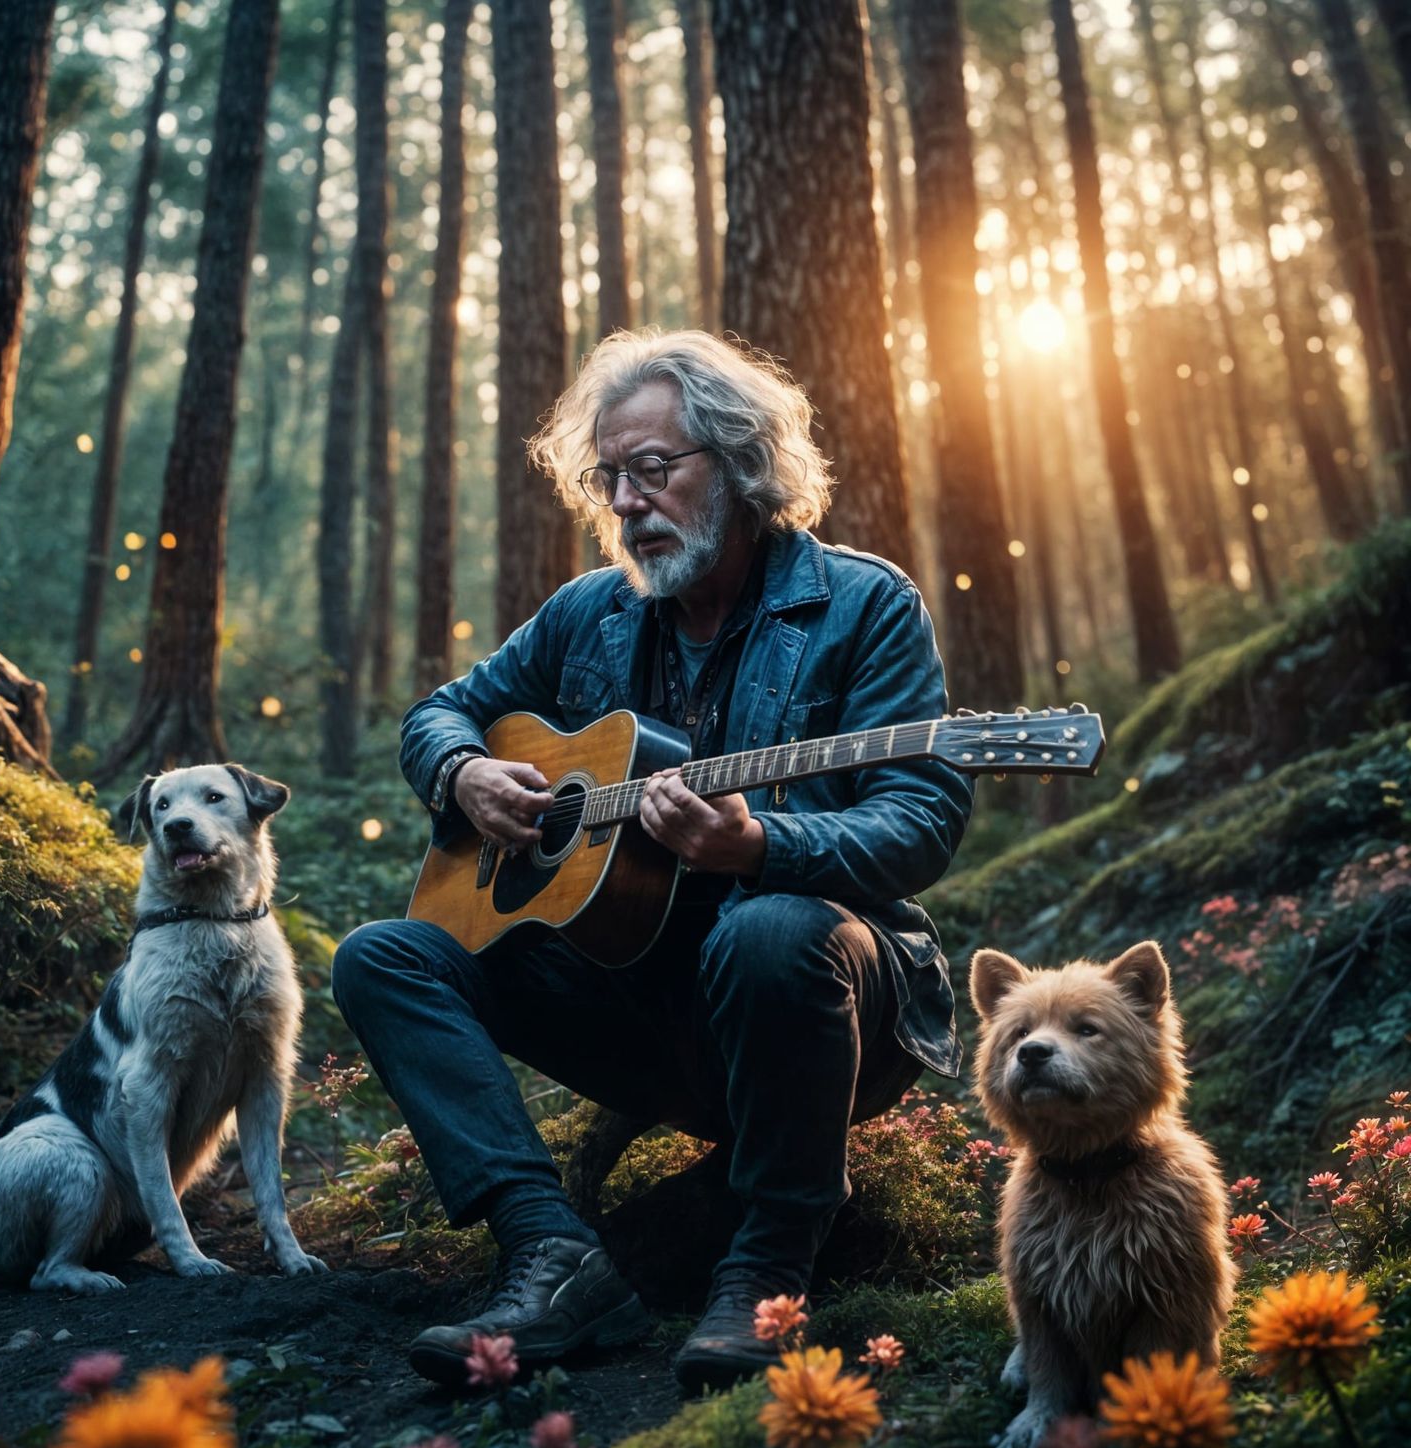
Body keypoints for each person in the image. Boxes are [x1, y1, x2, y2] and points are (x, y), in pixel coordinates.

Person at [332, 329, 973, 1392]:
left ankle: (766, 1272)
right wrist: (462, 776)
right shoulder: (588, 613)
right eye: (608, 476)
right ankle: (551, 1251)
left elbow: (920, 821)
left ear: (738, 461)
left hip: (815, 1007)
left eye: (653, 469)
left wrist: (763, 844)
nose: (626, 501)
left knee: (772, 925)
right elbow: (442, 714)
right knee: (383, 957)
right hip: (636, 1001)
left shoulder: (864, 606)